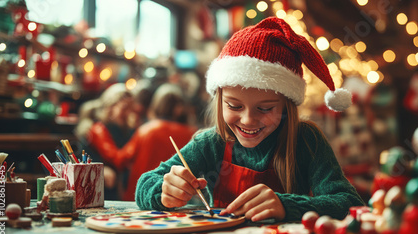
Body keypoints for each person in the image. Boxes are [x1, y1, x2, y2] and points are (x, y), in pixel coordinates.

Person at [136, 17, 364, 222]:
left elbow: (350, 204)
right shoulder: (210, 143)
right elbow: (144, 184)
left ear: (287, 105)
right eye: (234, 106)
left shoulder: (306, 140)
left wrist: (288, 206)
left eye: (265, 108)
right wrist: (163, 192)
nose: (247, 120)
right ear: (220, 100)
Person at [98, 84, 197, 201]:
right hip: (178, 198)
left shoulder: (145, 130)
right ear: (179, 109)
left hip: (143, 195)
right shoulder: (192, 134)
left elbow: (120, 160)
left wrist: (98, 133)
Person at [75, 83, 136, 200]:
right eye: (124, 108)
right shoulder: (99, 129)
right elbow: (116, 159)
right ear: (110, 106)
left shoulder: (123, 128)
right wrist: (140, 138)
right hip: (100, 186)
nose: (128, 113)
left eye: (130, 108)